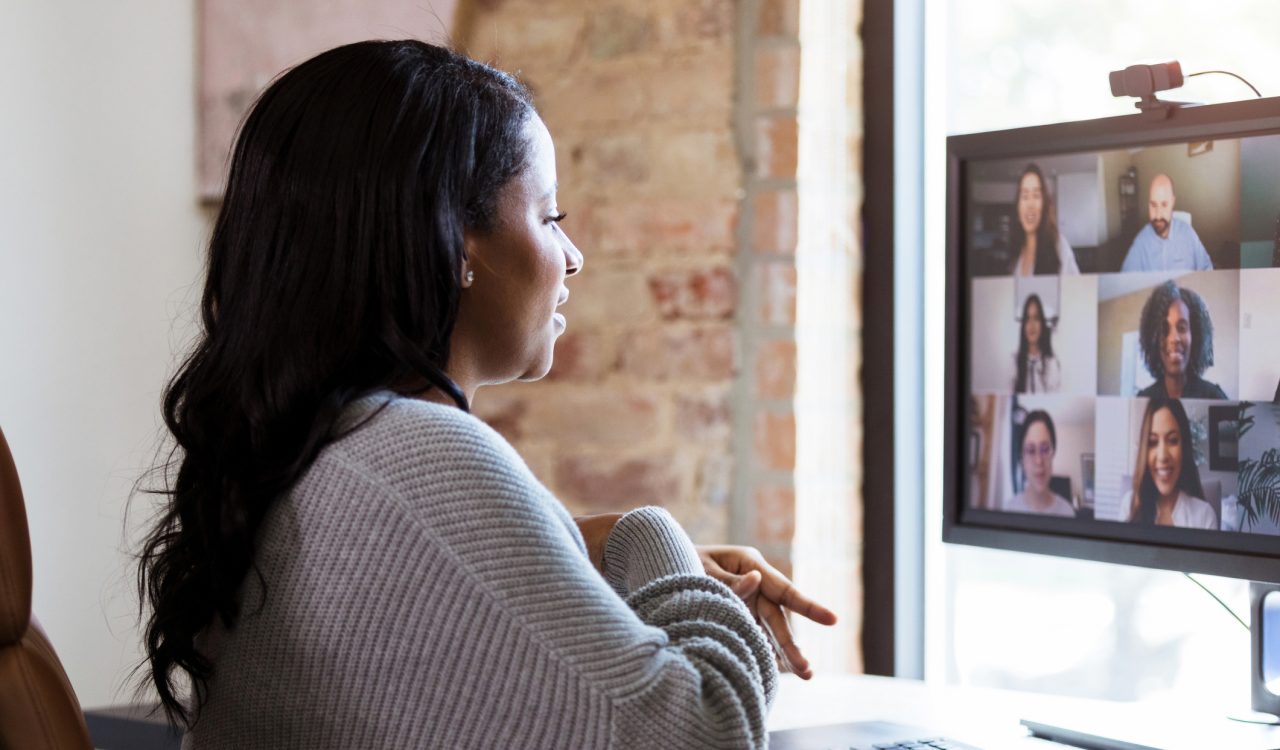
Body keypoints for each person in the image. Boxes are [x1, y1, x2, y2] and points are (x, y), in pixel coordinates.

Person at [135, 41, 836, 749]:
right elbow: (704, 733)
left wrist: (575, 552)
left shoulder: (309, 450)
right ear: (458, 242)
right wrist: (653, 538)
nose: (572, 257)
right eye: (549, 217)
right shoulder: (418, 452)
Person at [1125, 397, 1218, 529]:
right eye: (1152, 442)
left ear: (1184, 448)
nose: (1163, 456)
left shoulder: (1204, 515)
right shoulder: (1128, 506)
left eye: (1173, 440)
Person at [1135, 280, 1227, 399]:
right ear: (1153, 338)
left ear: (1195, 335)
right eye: (1164, 330)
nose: (1174, 338)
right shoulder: (1143, 399)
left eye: (1182, 328)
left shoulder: (1214, 397)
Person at [1120, 174, 1214, 272]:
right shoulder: (1141, 242)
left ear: (1172, 202)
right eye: (1153, 205)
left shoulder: (1188, 234)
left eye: (1164, 205)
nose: (1158, 215)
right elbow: (1126, 281)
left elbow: (1207, 269)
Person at [1009, 163, 1080, 276]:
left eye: (1036, 195)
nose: (1030, 204)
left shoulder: (1059, 246)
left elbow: (1076, 290)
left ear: (1045, 204)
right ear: (1018, 206)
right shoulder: (1017, 251)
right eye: (1025, 196)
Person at [1005, 410, 1075, 517]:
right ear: (1022, 458)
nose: (1039, 461)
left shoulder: (1068, 512)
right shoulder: (1009, 509)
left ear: (1053, 453)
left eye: (1045, 449)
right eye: (1031, 450)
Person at [1011, 293, 1061, 394]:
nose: (1031, 325)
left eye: (1036, 318)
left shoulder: (1052, 363)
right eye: (1027, 319)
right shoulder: (1013, 362)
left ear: (1042, 323)